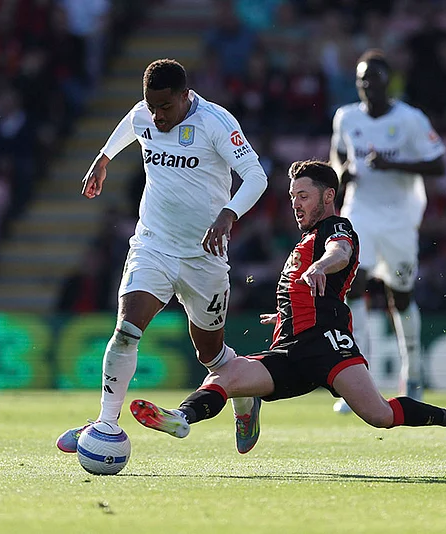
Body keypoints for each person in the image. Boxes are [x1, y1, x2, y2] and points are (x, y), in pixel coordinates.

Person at [128, 160, 446, 450]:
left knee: (380, 415)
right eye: (292, 196)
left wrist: (320, 267)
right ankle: (181, 417)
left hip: (328, 344)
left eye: (303, 196)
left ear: (328, 196)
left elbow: (339, 254)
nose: (295, 204)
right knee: (225, 376)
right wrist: (286, 313)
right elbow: (307, 287)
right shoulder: (302, 240)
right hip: (290, 349)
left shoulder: (335, 227)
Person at [56, 58, 269, 455]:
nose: (157, 116)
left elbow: (257, 176)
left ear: (186, 97)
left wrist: (228, 214)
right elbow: (132, 123)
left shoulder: (215, 123)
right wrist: (104, 158)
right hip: (153, 244)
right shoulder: (145, 115)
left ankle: (244, 395)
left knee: (212, 355)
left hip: (203, 256)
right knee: (126, 329)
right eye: (151, 107)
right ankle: (105, 423)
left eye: (165, 108)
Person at [329, 49, 446, 411]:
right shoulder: (346, 116)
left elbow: (438, 164)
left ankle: (412, 374)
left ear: (388, 81)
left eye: (374, 79)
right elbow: (337, 155)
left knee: (402, 296)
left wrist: (396, 164)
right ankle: (359, 382)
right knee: (353, 286)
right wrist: (341, 172)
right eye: (362, 79)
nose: (368, 85)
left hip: (399, 218)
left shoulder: (410, 119)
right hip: (359, 211)